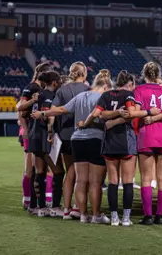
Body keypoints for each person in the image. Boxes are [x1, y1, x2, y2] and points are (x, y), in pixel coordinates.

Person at [32, 69, 116, 224]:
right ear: (105, 87)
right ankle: (96, 215)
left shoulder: (80, 96)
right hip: (95, 139)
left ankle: (83, 215)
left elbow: (62, 109)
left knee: (81, 180)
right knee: (96, 182)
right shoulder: (103, 98)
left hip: (76, 140)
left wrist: (43, 114)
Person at [80, 70, 159, 226]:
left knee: (113, 181)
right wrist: (149, 111)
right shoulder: (128, 95)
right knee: (128, 181)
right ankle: (126, 218)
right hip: (125, 140)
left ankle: (114, 217)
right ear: (129, 84)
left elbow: (99, 115)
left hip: (109, 141)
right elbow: (130, 114)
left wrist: (93, 123)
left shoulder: (106, 95)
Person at [134, 62, 162, 225]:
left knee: (146, 179)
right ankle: (160, 216)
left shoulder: (139, 90)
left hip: (147, 134)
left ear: (144, 74)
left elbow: (135, 113)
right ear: (157, 75)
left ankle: (148, 216)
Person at [50, 62, 90, 220]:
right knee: (83, 174)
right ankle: (78, 207)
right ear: (84, 74)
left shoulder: (62, 90)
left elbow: (52, 111)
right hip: (84, 135)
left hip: (66, 136)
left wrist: (50, 131)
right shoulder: (88, 90)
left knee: (70, 171)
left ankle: (66, 209)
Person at [17, 62, 53, 215]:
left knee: (37, 169)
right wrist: (25, 129)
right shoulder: (33, 88)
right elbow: (20, 108)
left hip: (34, 131)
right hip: (33, 132)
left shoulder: (36, 88)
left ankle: (32, 200)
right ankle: (31, 200)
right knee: (33, 169)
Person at [28, 71, 64, 217]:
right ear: (54, 82)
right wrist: (50, 132)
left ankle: (40, 207)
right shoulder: (51, 96)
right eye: (59, 80)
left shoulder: (38, 95)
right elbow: (48, 117)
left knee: (40, 172)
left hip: (34, 136)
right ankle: (55, 206)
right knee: (59, 171)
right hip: (45, 137)